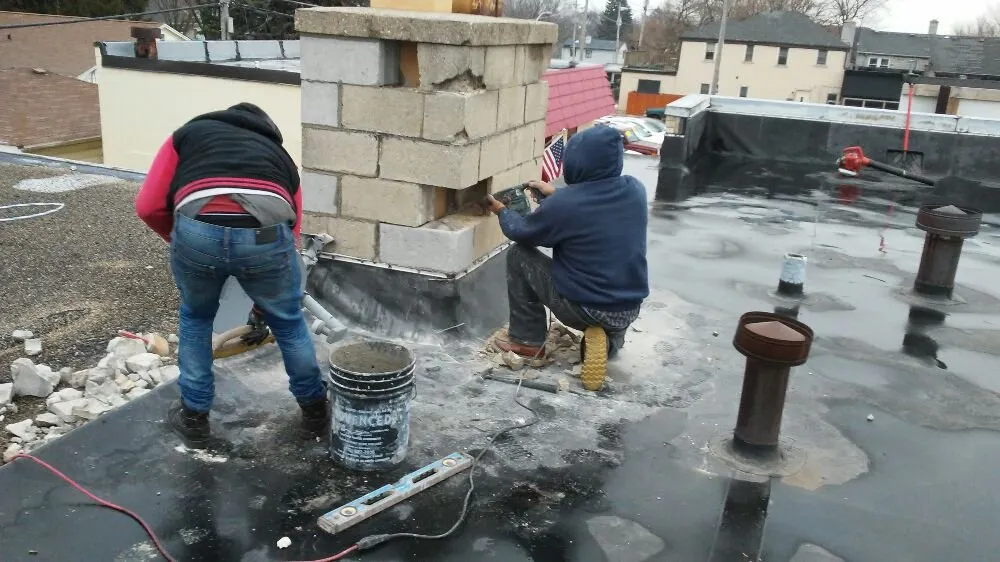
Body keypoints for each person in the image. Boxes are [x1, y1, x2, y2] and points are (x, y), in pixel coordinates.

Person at [135, 102, 327, 448]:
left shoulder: (187, 136)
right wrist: (267, 296)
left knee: (196, 318)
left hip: (196, 231)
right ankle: (315, 413)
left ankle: (194, 418)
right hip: (265, 238)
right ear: (265, 131)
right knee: (288, 322)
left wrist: (184, 242)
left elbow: (148, 206)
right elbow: (291, 230)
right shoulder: (280, 157)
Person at [487, 125, 648, 359]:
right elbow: (593, 205)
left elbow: (521, 232)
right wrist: (556, 195)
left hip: (584, 308)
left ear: (576, 162)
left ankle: (527, 340)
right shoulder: (635, 190)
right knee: (611, 309)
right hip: (628, 309)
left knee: (517, 255)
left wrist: (502, 211)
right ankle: (611, 342)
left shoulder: (566, 205)